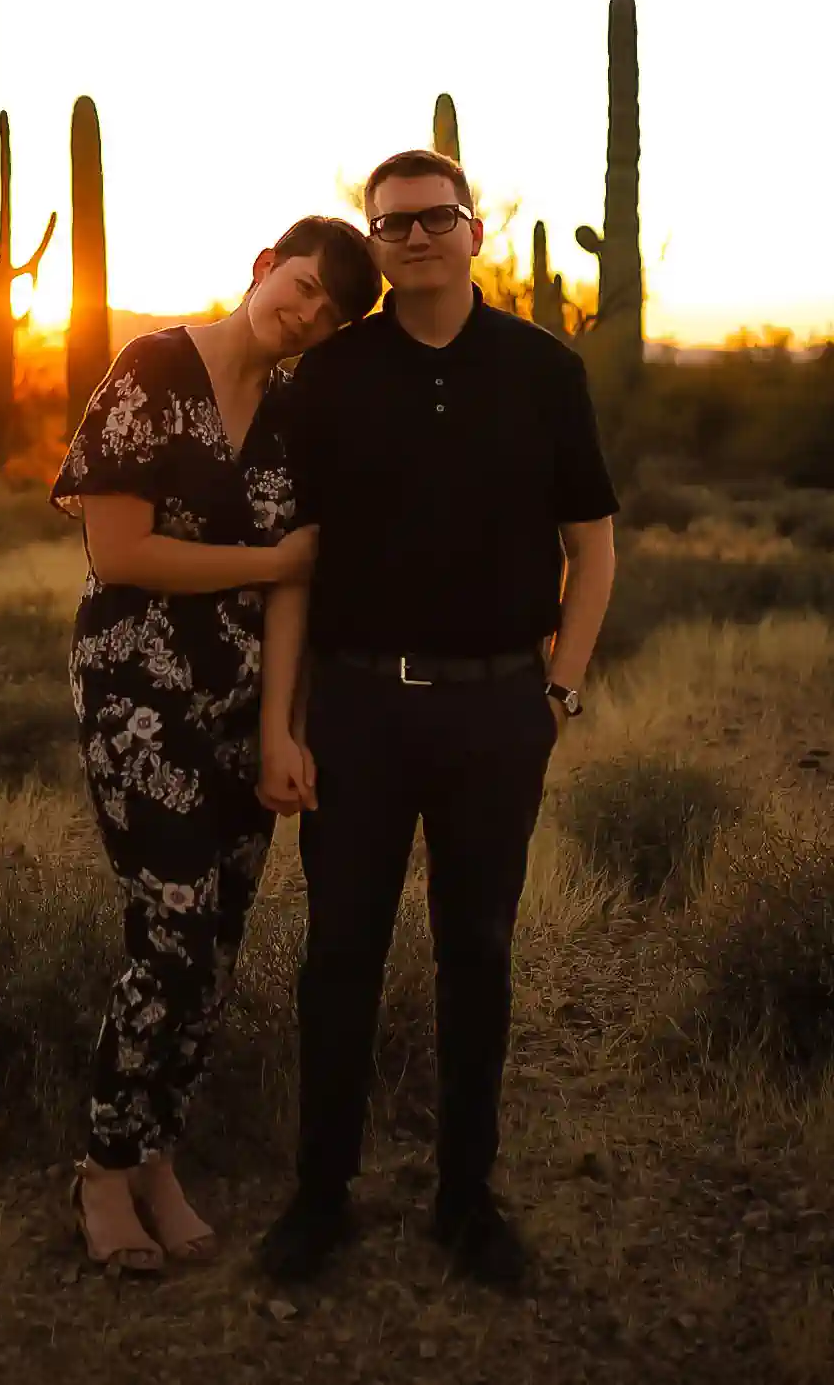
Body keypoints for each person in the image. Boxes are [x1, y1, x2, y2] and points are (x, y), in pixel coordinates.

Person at [256, 150, 619, 1292]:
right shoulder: (331, 374)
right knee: (341, 958)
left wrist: (559, 686)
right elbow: (295, 564)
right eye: (391, 225)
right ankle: (321, 1199)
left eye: (433, 218)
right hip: (360, 705)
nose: (413, 237)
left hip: (496, 709)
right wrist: (290, 717)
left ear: (473, 231)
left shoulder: (543, 369)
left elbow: (592, 541)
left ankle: (466, 1199)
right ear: (373, 244)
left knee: (479, 954)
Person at [50, 215, 381, 1276]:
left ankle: (158, 1155)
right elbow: (120, 548)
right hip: (136, 689)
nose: (308, 312)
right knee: (174, 925)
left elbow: (300, 580)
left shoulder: (292, 415)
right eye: (301, 285)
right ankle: (103, 1166)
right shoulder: (151, 366)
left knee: (222, 940)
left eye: (330, 311)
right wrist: (262, 557)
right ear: (260, 267)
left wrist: (283, 728)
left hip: (241, 707)